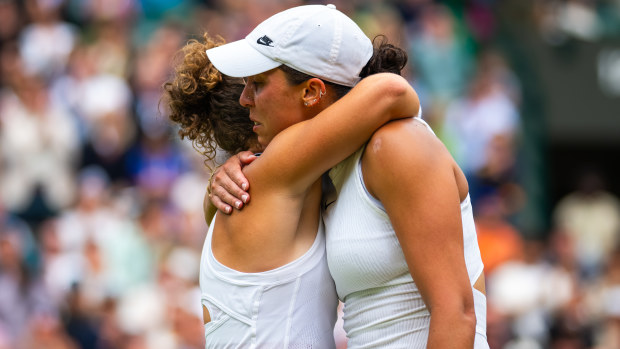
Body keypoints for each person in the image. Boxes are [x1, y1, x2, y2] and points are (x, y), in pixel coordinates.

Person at [208, 5, 490, 349]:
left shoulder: (397, 146)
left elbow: (457, 314)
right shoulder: (324, 176)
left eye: (259, 83)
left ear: (311, 92)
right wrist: (225, 177)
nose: (244, 99)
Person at [163, 4, 421, 348]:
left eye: (257, 85)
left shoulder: (254, 185)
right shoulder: (272, 171)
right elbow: (393, 91)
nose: (247, 98)